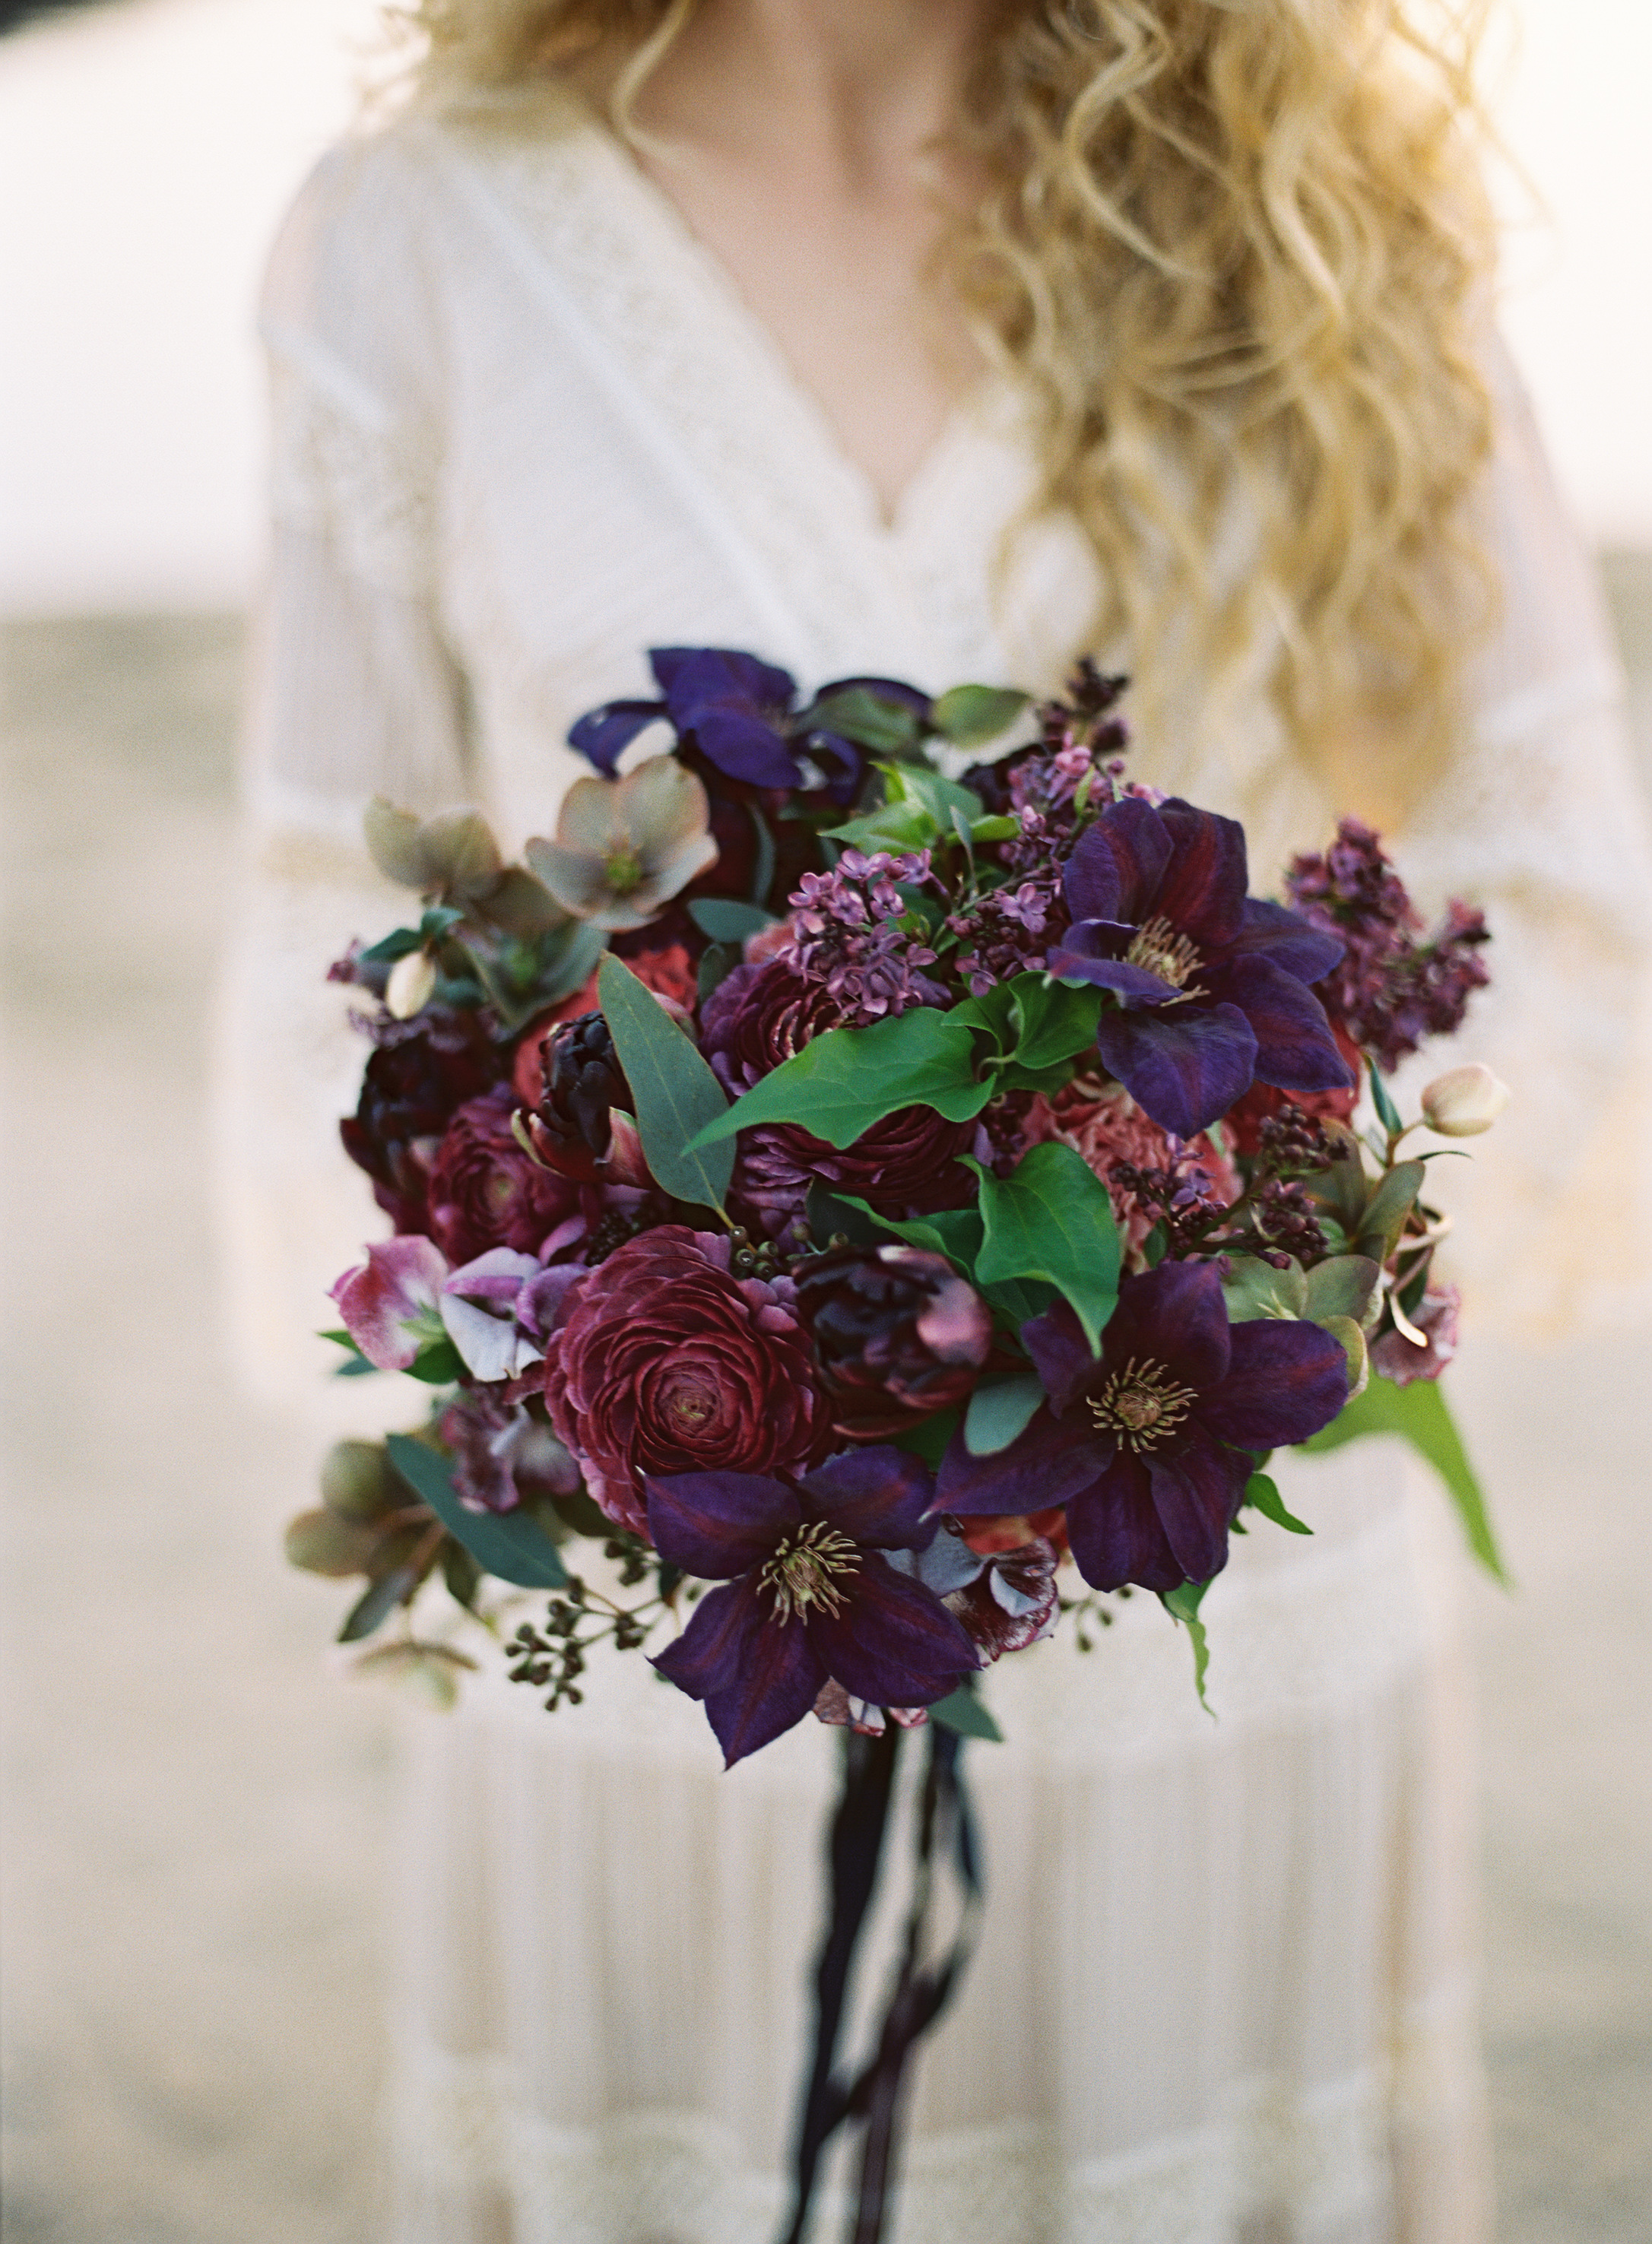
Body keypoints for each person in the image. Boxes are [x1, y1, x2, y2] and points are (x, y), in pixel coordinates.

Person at [220, 2, 1652, 2236]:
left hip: (1207, 1561)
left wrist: (1246, 1248)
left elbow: (1556, 877)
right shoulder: (415, 241)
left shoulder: (1323, 203)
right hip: (679, 1590)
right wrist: (606, 1348)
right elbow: (329, 912)